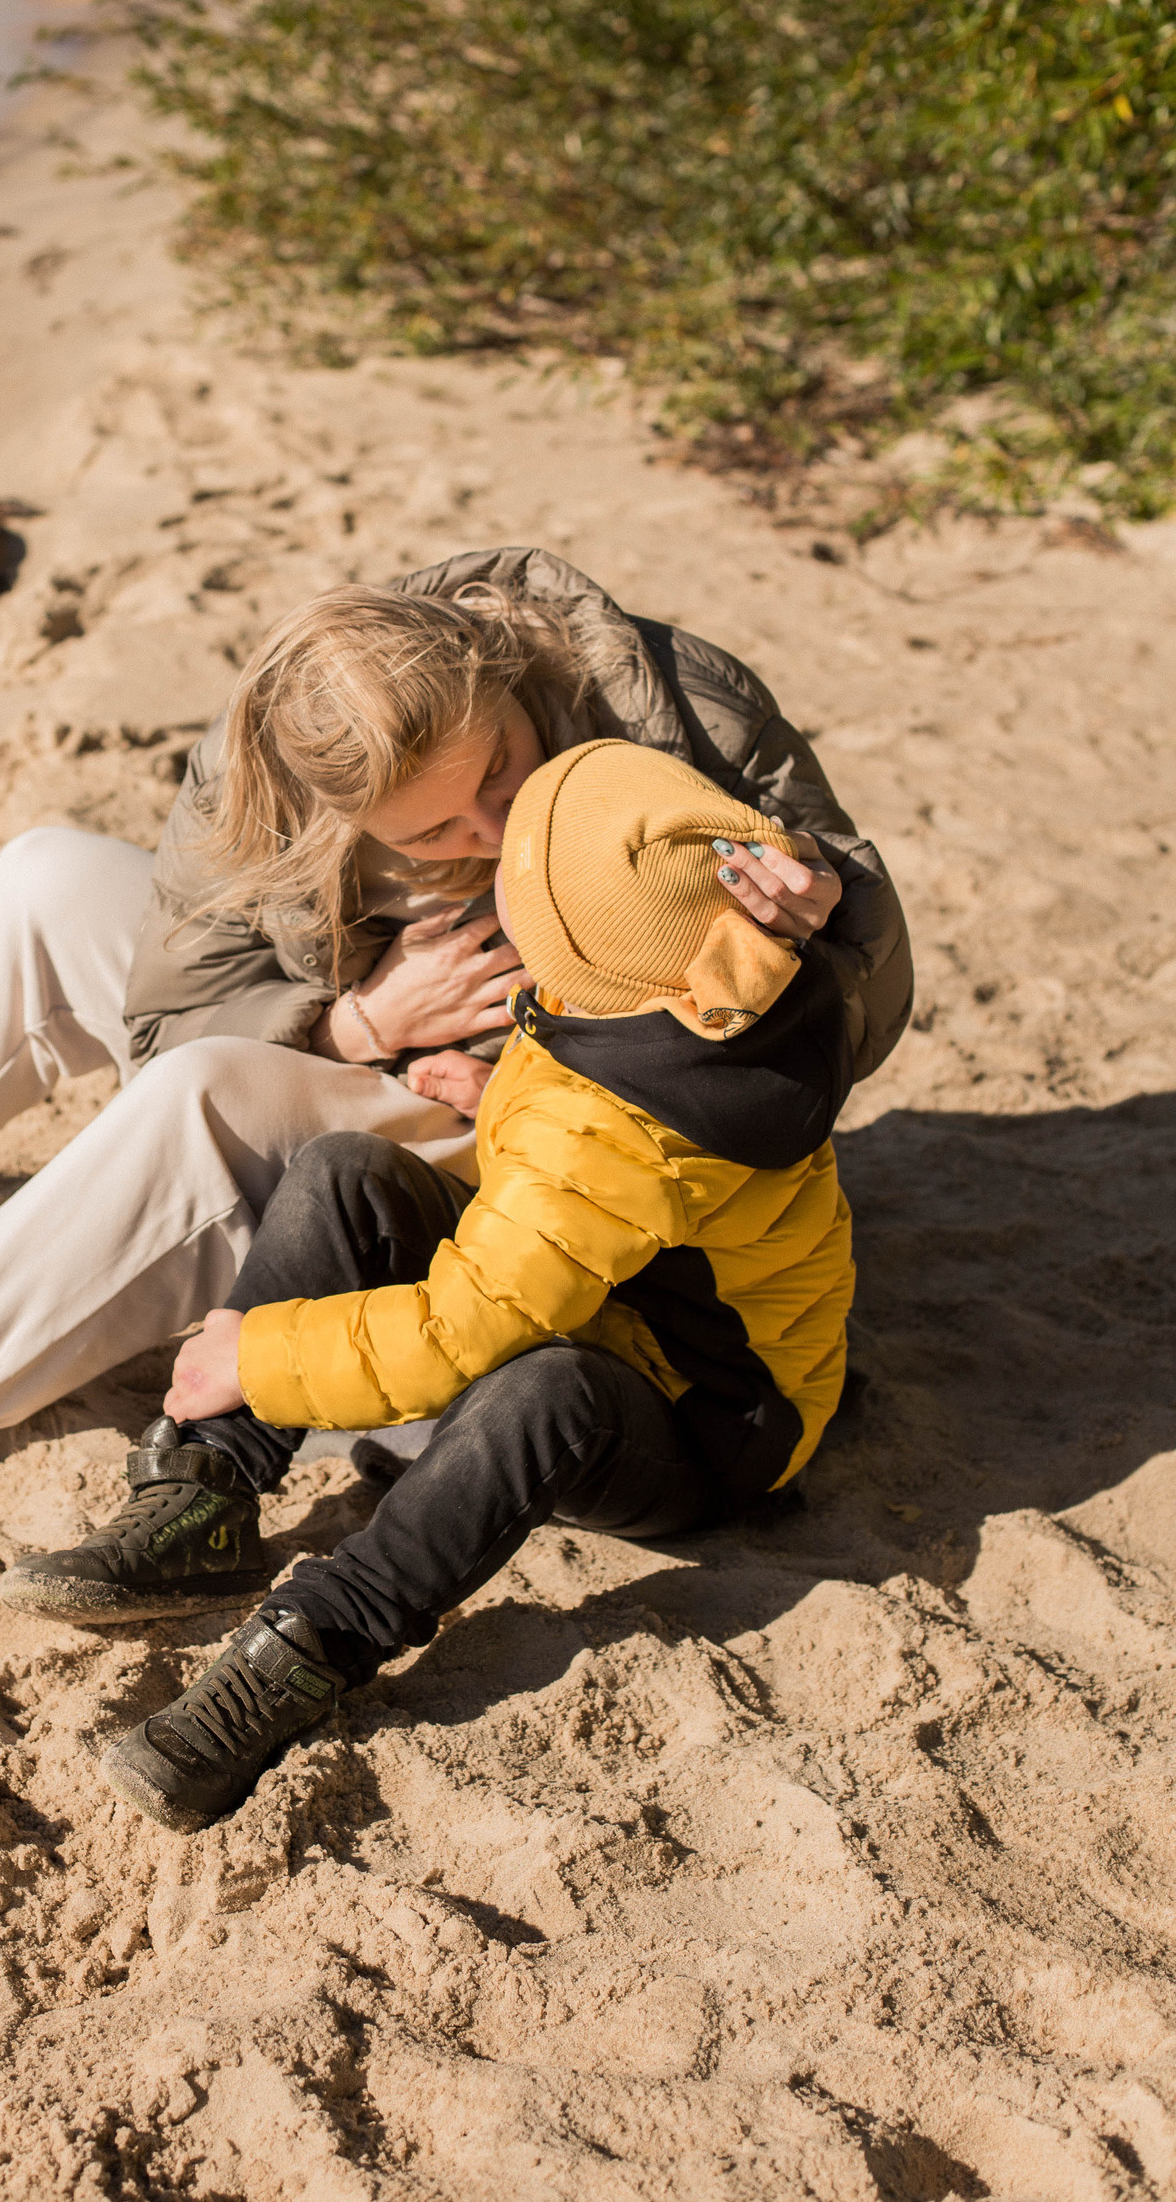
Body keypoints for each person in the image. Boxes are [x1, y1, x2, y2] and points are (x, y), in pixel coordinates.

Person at [0, 549, 904, 1580]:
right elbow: (160, 1009)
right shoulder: (268, 756)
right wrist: (360, 1024)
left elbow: (851, 1016)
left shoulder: (668, 707)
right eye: (435, 832)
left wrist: (818, 924)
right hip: (387, 1050)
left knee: (200, 1104)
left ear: (492, 675)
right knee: (47, 874)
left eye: (502, 775)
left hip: (580, 1133)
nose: (487, 831)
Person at [51, 740, 858, 1832]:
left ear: (583, 948)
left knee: (542, 1395)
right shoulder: (688, 987)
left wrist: (260, 1356)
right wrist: (502, 1098)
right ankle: (207, 1489)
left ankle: (319, 1639)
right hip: (616, 1284)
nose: (493, 893)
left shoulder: (626, 1136)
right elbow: (592, 1130)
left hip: (703, 1420)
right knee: (347, 1177)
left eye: (520, 895)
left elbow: (458, 1332)